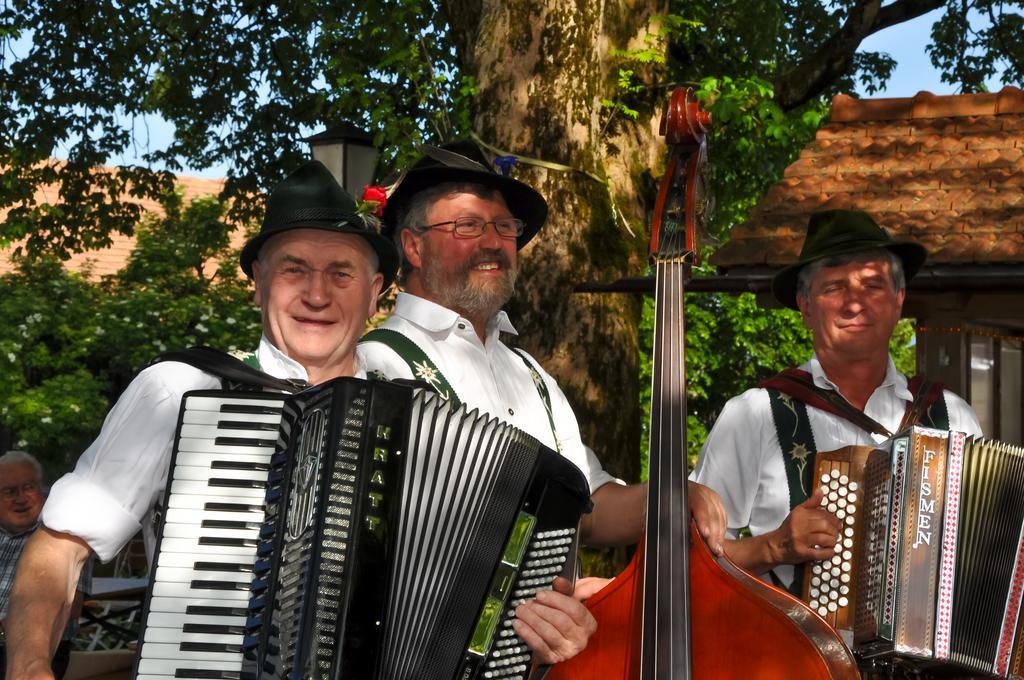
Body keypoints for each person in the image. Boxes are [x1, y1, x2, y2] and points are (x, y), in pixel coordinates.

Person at [5, 160, 592, 680]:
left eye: (341, 273)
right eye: (293, 270)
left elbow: (475, 606)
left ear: (374, 293)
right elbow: (59, 551)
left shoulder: (421, 416)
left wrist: (544, 629)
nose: (317, 293)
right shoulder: (183, 388)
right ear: (257, 283)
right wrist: (29, 664)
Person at [358, 141, 727, 579]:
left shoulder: (530, 376)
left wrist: (671, 496)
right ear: (413, 248)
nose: (493, 242)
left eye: (504, 226)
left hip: (553, 643)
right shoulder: (373, 366)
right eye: (468, 226)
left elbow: (588, 508)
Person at [691, 209, 983, 592]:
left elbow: (987, 549)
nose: (854, 303)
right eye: (834, 287)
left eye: (873, 286)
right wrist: (773, 547)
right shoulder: (754, 415)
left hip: (938, 653)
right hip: (793, 650)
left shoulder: (952, 417)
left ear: (898, 300)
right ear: (805, 306)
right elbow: (690, 560)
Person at [0, 451, 90, 680]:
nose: (21, 499)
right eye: (10, 492)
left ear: (41, 489)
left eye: (29, 487)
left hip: (32, 651)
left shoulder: (64, 535)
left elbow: (73, 606)